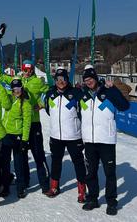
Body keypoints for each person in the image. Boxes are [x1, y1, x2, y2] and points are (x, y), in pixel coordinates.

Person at [0, 56, 50, 194]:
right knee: (22, 154)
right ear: (22, 69)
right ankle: (24, 181)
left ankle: (45, 184)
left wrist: (42, 104)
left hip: (34, 122)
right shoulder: (17, 80)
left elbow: (49, 92)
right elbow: (1, 77)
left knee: (38, 154)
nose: (27, 71)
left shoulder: (38, 81)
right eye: (25, 69)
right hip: (20, 125)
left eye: (30, 69)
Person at [81, 65, 130, 215]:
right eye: (86, 80)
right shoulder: (83, 95)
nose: (89, 82)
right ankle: (92, 199)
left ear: (96, 78)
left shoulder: (108, 92)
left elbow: (124, 106)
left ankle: (111, 202)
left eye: (90, 79)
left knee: (109, 173)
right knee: (91, 172)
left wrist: (114, 89)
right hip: (89, 140)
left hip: (106, 140)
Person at [43, 68, 86, 203]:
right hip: (56, 135)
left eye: (63, 79)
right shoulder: (50, 94)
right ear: (55, 81)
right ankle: (54, 187)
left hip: (73, 136)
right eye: (58, 80)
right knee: (55, 161)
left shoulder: (76, 93)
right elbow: (49, 110)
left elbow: (84, 112)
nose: (60, 82)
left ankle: (82, 191)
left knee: (78, 163)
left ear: (67, 80)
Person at [0, 79, 32, 198]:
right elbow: (4, 104)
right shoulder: (10, 99)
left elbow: (27, 122)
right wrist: (0, 84)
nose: (16, 91)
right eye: (14, 89)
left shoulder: (25, 103)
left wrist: (24, 139)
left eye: (18, 88)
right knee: (5, 163)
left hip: (17, 136)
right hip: (6, 134)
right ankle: (5, 186)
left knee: (19, 163)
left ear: (21, 88)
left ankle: (21, 187)